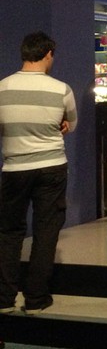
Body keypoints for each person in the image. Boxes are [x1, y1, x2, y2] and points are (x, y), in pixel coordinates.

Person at [0, 31, 77, 315]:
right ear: (48, 54)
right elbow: (71, 123)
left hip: (14, 168)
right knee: (46, 232)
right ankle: (36, 299)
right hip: (52, 167)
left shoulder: (2, 88)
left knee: (9, 232)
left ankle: (4, 298)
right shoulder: (61, 89)